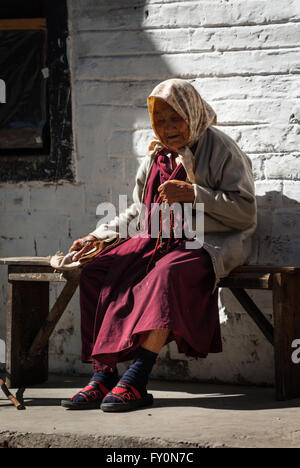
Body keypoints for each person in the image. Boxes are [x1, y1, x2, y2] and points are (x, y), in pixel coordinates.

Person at [61, 78, 257, 412]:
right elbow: (140, 210)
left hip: (205, 244)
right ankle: (103, 375)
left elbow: (244, 212)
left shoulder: (220, 148)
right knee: (96, 270)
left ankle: (136, 379)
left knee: (165, 275)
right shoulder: (157, 156)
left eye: (175, 118)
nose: (167, 128)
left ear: (192, 113)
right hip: (156, 239)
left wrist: (194, 194)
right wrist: (99, 235)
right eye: (160, 121)